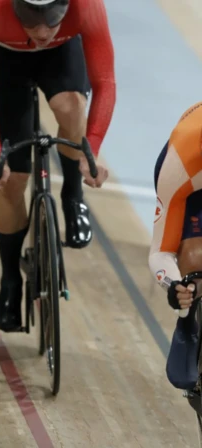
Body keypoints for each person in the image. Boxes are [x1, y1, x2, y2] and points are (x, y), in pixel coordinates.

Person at [0, 0, 114, 332]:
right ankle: (10, 280)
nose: (43, 31)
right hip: (6, 61)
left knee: (72, 105)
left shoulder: (87, 6)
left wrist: (89, 152)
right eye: (32, 21)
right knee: (13, 180)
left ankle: (73, 198)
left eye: (52, 19)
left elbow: (105, 83)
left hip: (61, 56)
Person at [149, 103, 202, 394]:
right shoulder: (181, 163)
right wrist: (175, 286)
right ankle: (188, 320)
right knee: (194, 258)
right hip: (193, 183)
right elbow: (161, 251)